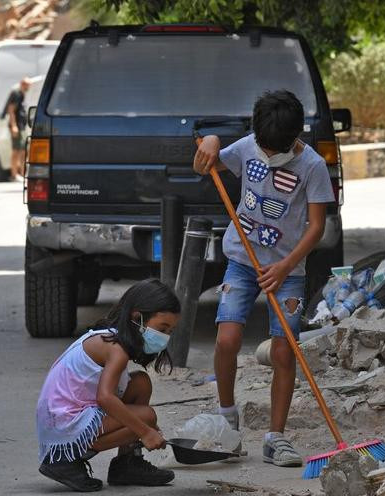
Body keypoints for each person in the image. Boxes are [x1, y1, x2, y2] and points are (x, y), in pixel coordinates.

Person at [193, 90, 335, 467]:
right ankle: (227, 420)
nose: (269, 157)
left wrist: (287, 266)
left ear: (294, 138)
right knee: (227, 338)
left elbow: (317, 226)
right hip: (242, 261)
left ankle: (276, 437)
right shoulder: (248, 147)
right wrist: (210, 141)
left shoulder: (313, 166)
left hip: (287, 270)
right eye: (264, 148)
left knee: (284, 349)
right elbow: (204, 165)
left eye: (277, 151)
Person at [36, 279, 180, 492]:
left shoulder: (111, 339)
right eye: (162, 328)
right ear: (137, 317)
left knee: (140, 382)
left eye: (170, 331)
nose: (165, 337)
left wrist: (138, 431)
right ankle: (65, 461)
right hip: (63, 425)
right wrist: (145, 431)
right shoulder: (115, 349)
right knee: (146, 417)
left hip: (67, 416)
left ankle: (127, 463)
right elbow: (105, 397)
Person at [3, 77, 30, 181]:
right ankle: (14, 175)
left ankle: (22, 174)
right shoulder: (16, 94)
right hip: (17, 126)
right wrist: (13, 126)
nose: (28, 87)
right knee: (16, 150)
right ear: (22, 84)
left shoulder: (22, 95)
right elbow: (11, 110)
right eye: (27, 85)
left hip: (22, 126)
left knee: (23, 150)